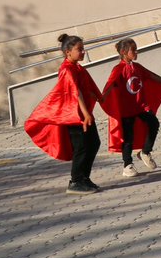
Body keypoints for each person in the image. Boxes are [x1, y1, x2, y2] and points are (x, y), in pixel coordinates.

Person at [24, 34, 103, 194]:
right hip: (73, 116)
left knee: (94, 143)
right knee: (81, 147)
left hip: (83, 114)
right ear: (68, 52)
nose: (83, 52)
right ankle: (75, 182)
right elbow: (76, 92)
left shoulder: (78, 68)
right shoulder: (66, 69)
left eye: (83, 48)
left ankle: (84, 178)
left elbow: (87, 88)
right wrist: (86, 114)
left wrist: (101, 97)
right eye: (79, 49)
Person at [100, 37, 161, 177]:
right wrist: (102, 97)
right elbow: (110, 84)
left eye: (136, 49)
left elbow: (152, 76)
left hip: (140, 107)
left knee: (153, 123)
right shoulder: (118, 69)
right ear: (124, 52)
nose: (136, 52)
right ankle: (127, 165)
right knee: (128, 138)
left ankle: (145, 151)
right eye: (133, 50)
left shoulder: (137, 67)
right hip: (126, 110)